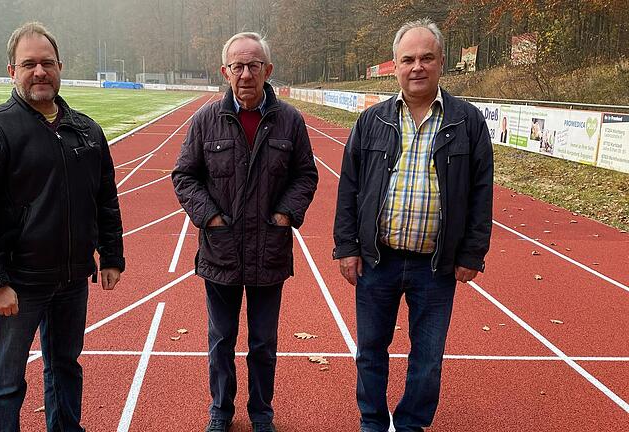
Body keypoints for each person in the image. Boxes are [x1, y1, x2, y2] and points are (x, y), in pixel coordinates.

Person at [0, 22, 125, 432]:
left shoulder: (86, 129)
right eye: (29, 64)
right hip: (19, 283)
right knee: (5, 381)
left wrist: (112, 255)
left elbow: (105, 198)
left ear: (60, 67)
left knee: (65, 368)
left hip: (72, 281)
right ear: (12, 71)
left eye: (47, 63)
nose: (40, 72)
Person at [333, 18, 493, 432]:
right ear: (396, 65)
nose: (416, 67)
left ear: (442, 63)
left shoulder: (467, 121)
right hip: (377, 259)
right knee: (370, 350)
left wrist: (473, 252)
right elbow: (349, 187)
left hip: (435, 265)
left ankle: (410, 425)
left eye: (426, 58)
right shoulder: (372, 121)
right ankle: (372, 422)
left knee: (427, 355)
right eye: (408, 59)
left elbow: (480, 191)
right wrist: (346, 247)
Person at [172, 32, 318, 432]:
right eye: (238, 66)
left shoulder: (289, 120)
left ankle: (261, 412)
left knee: (263, 345)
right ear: (225, 71)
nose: (246, 73)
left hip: (269, 250)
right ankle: (221, 410)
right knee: (221, 341)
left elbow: (306, 174)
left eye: (254, 65)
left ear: (268, 70)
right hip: (221, 252)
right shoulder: (205, 120)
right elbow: (185, 176)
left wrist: (286, 214)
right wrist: (210, 218)